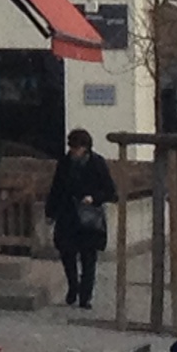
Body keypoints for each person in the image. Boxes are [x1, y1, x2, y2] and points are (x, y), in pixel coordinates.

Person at [45, 127, 119, 310]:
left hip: (89, 218)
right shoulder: (65, 162)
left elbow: (110, 191)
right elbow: (56, 188)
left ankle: (85, 296)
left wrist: (94, 198)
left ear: (85, 148)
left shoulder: (97, 163)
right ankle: (73, 286)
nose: (73, 151)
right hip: (68, 215)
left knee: (88, 258)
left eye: (76, 148)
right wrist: (51, 212)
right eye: (71, 147)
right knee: (66, 253)